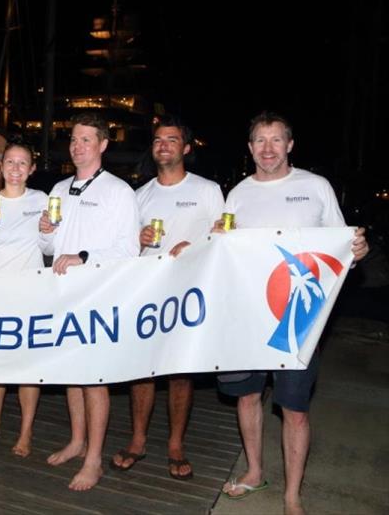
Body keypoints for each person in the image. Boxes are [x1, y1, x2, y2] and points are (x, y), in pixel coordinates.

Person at [218, 112, 369, 515]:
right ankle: (254, 472)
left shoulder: (316, 187)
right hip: (249, 316)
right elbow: (226, 250)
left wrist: (355, 252)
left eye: (275, 140)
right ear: (250, 149)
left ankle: (292, 495)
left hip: (300, 320)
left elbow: (342, 249)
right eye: (259, 142)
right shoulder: (238, 194)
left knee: (295, 408)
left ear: (290, 145)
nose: (267, 149)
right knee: (247, 397)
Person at [110, 115, 224, 480]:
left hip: (189, 294)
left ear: (186, 148)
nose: (163, 145)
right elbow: (123, 249)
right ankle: (138, 439)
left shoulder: (207, 190)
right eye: (158, 140)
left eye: (172, 140)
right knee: (141, 371)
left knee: (179, 372)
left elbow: (225, 238)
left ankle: (175, 444)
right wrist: (137, 241)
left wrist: (199, 244)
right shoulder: (139, 195)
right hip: (148, 293)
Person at [39, 112, 140, 490]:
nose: (77, 146)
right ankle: (77, 441)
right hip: (63, 294)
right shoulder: (59, 189)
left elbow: (129, 249)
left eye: (85, 140)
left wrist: (84, 257)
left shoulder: (119, 192)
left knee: (94, 379)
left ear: (102, 145)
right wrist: (46, 233)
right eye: (73, 139)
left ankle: (95, 459)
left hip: (99, 295)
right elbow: (49, 248)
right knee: (71, 373)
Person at [0, 142, 48, 457]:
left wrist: (49, 231)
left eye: (22, 163)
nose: (15, 168)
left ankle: (26, 430)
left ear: (31, 169)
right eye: (10, 162)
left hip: (30, 290)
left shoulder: (41, 200)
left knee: (28, 365)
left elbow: (49, 245)